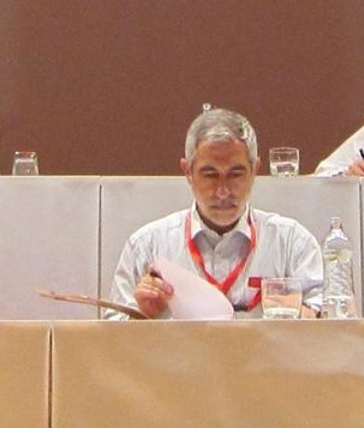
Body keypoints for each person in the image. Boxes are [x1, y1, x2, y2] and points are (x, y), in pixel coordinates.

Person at [108, 107, 322, 317]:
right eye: (210, 175)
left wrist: (298, 315)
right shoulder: (147, 246)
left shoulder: (293, 244)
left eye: (235, 174)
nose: (223, 191)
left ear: (255, 170)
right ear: (187, 172)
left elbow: (329, 325)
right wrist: (142, 318)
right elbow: (110, 335)